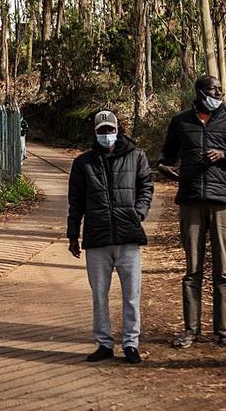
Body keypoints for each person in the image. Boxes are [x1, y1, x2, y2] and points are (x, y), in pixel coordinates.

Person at [158, 76, 226, 350]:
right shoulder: (180, 122)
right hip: (191, 200)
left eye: (220, 89)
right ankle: (190, 330)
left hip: (222, 202)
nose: (217, 93)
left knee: (224, 270)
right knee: (192, 269)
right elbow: (166, 157)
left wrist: (225, 156)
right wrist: (164, 167)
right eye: (212, 90)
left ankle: (223, 332)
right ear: (198, 93)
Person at [67, 110, 154, 365]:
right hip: (97, 238)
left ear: (118, 129)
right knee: (99, 295)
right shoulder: (83, 163)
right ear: (95, 132)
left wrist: (138, 212)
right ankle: (104, 343)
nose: (107, 135)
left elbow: (146, 186)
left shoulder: (136, 156)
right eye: (102, 130)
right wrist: (73, 234)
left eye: (110, 129)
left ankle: (130, 343)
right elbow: (76, 202)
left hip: (128, 237)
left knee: (131, 294)